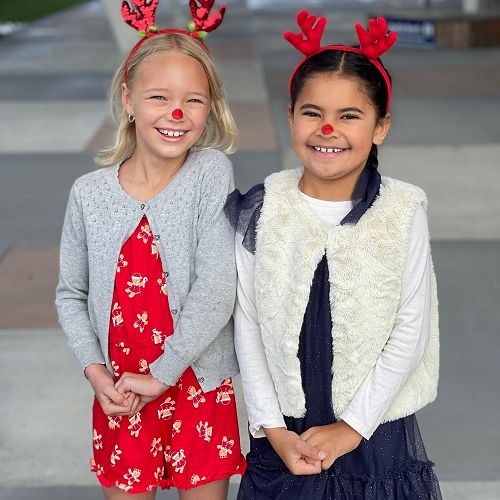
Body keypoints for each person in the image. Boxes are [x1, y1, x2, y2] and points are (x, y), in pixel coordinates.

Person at [227, 11, 442, 499]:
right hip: (285, 433)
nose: (328, 128)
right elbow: (249, 327)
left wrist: (351, 428)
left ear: (381, 126)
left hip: (373, 432)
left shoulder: (402, 211)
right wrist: (271, 428)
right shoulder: (263, 208)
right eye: (312, 113)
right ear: (290, 117)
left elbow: (411, 330)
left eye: (349, 116)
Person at [55, 1, 246, 498]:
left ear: (211, 107)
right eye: (159, 97)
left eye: (193, 100)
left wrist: (162, 375)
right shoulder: (89, 194)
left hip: (196, 384)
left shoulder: (209, 174)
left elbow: (216, 288)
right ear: (128, 99)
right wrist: (95, 372)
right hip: (121, 390)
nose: (176, 114)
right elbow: (71, 293)